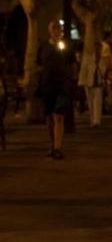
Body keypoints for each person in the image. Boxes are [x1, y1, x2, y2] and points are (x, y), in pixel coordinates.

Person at [37, 20, 76, 159]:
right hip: (47, 86)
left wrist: (71, 81)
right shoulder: (44, 46)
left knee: (58, 116)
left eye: (58, 28)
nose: (56, 31)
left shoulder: (66, 46)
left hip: (62, 85)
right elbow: (39, 65)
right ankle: (52, 145)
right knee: (49, 118)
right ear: (49, 30)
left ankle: (58, 147)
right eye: (53, 28)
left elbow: (72, 65)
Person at [77, 42, 106, 128]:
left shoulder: (101, 60)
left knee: (97, 102)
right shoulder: (88, 58)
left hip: (98, 83)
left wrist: (99, 66)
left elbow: (103, 71)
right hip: (89, 83)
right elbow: (83, 71)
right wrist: (82, 82)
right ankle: (92, 120)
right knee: (90, 102)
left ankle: (97, 121)